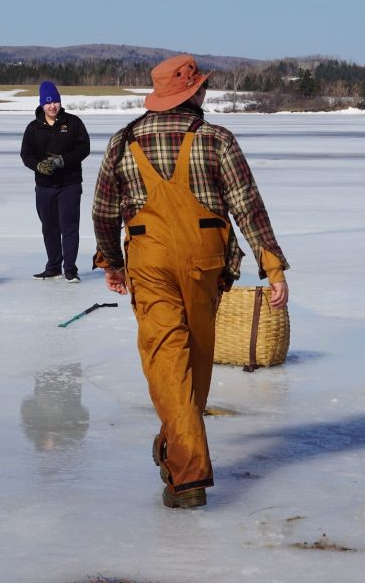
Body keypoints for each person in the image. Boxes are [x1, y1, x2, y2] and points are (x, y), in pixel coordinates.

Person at [91, 54, 289, 508]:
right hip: (205, 263)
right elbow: (248, 205)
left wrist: (112, 263)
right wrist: (272, 267)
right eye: (202, 87)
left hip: (149, 263)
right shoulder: (217, 139)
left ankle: (187, 475)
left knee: (168, 361)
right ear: (194, 93)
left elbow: (103, 212)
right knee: (195, 364)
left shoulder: (122, 141)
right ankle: (179, 452)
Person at [20, 81, 90, 283]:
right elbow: (26, 154)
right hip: (45, 187)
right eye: (48, 102)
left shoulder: (73, 123)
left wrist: (63, 160)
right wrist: (38, 166)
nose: (52, 106)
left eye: (55, 102)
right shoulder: (33, 128)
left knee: (69, 227)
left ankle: (70, 270)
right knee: (49, 228)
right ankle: (53, 268)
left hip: (69, 185)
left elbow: (84, 148)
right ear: (42, 104)